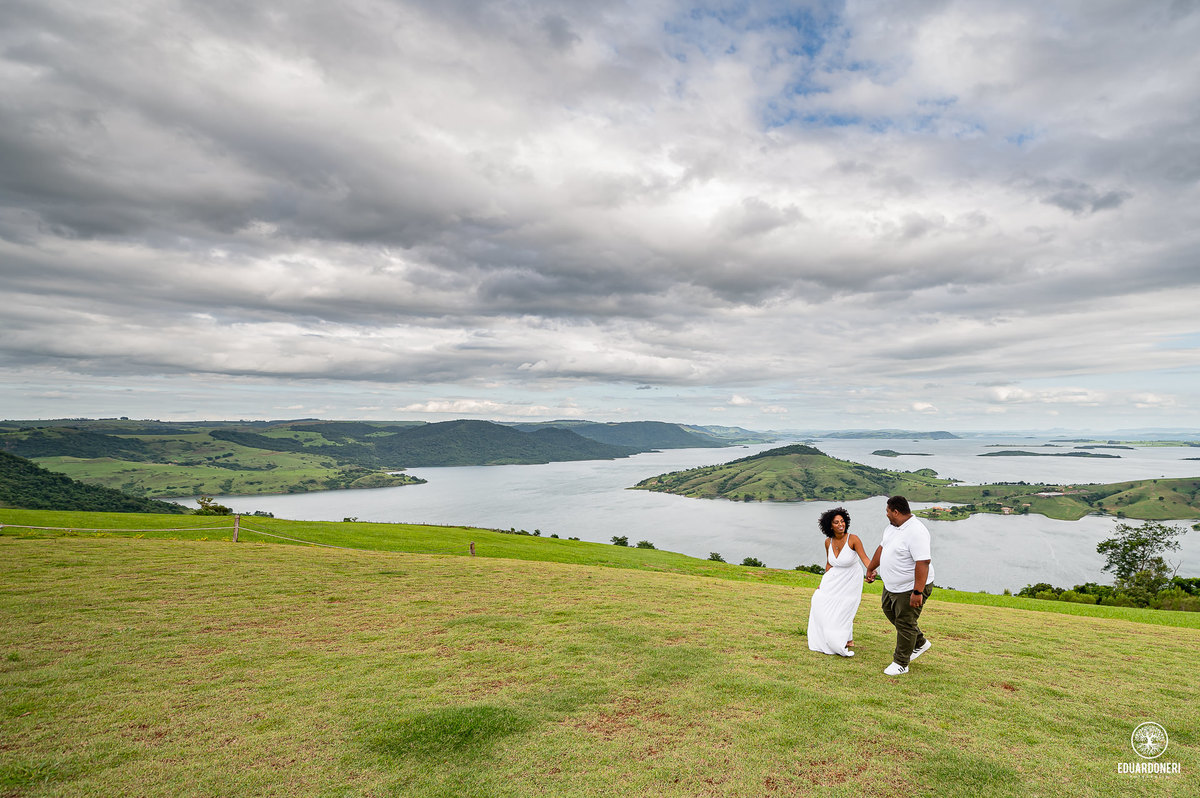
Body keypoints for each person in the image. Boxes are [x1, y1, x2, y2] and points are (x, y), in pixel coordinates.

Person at [865, 495, 935, 676]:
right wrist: (871, 568)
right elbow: (882, 548)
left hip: (910, 587)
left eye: (887, 511)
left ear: (896, 511)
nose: (886, 515)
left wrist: (917, 591)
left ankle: (901, 662)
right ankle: (919, 642)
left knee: (904, 622)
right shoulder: (892, 528)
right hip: (891, 586)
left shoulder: (917, 531)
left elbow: (923, 562)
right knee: (889, 611)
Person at [807, 507, 871, 657]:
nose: (841, 524)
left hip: (851, 578)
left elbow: (865, 559)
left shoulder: (853, 539)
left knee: (845, 607)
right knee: (818, 599)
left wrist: (871, 570)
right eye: (836, 522)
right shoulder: (828, 542)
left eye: (842, 521)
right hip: (834, 578)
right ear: (830, 525)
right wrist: (823, 583)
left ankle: (846, 639)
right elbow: (829, 564)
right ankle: (831, 637)